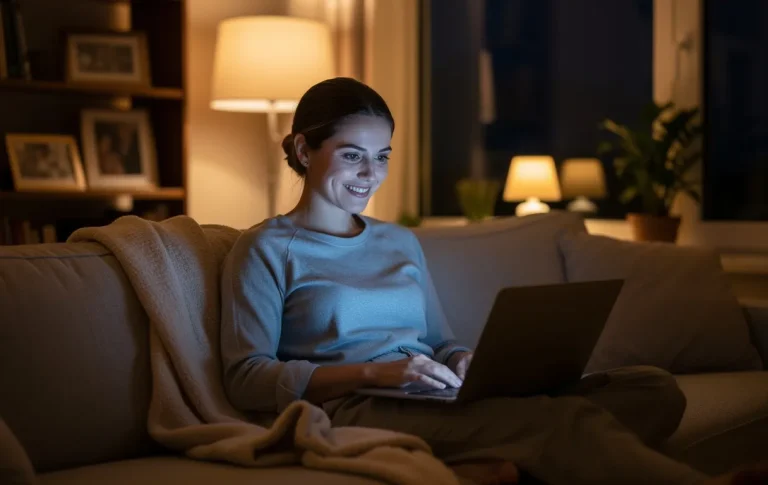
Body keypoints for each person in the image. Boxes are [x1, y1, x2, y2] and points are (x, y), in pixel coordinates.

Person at [219, 77, 766, 485]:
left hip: (432, 392)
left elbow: (442, 339)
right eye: (352, 156)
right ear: (301, 150)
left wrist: (461, 360)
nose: (371, 175)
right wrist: (378, 372)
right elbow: (246, 377)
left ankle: (503, 459)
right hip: (357, 407)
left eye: (382, 156)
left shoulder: (399, 241)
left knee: (652, 388)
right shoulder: (265, 249)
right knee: (560, 421)